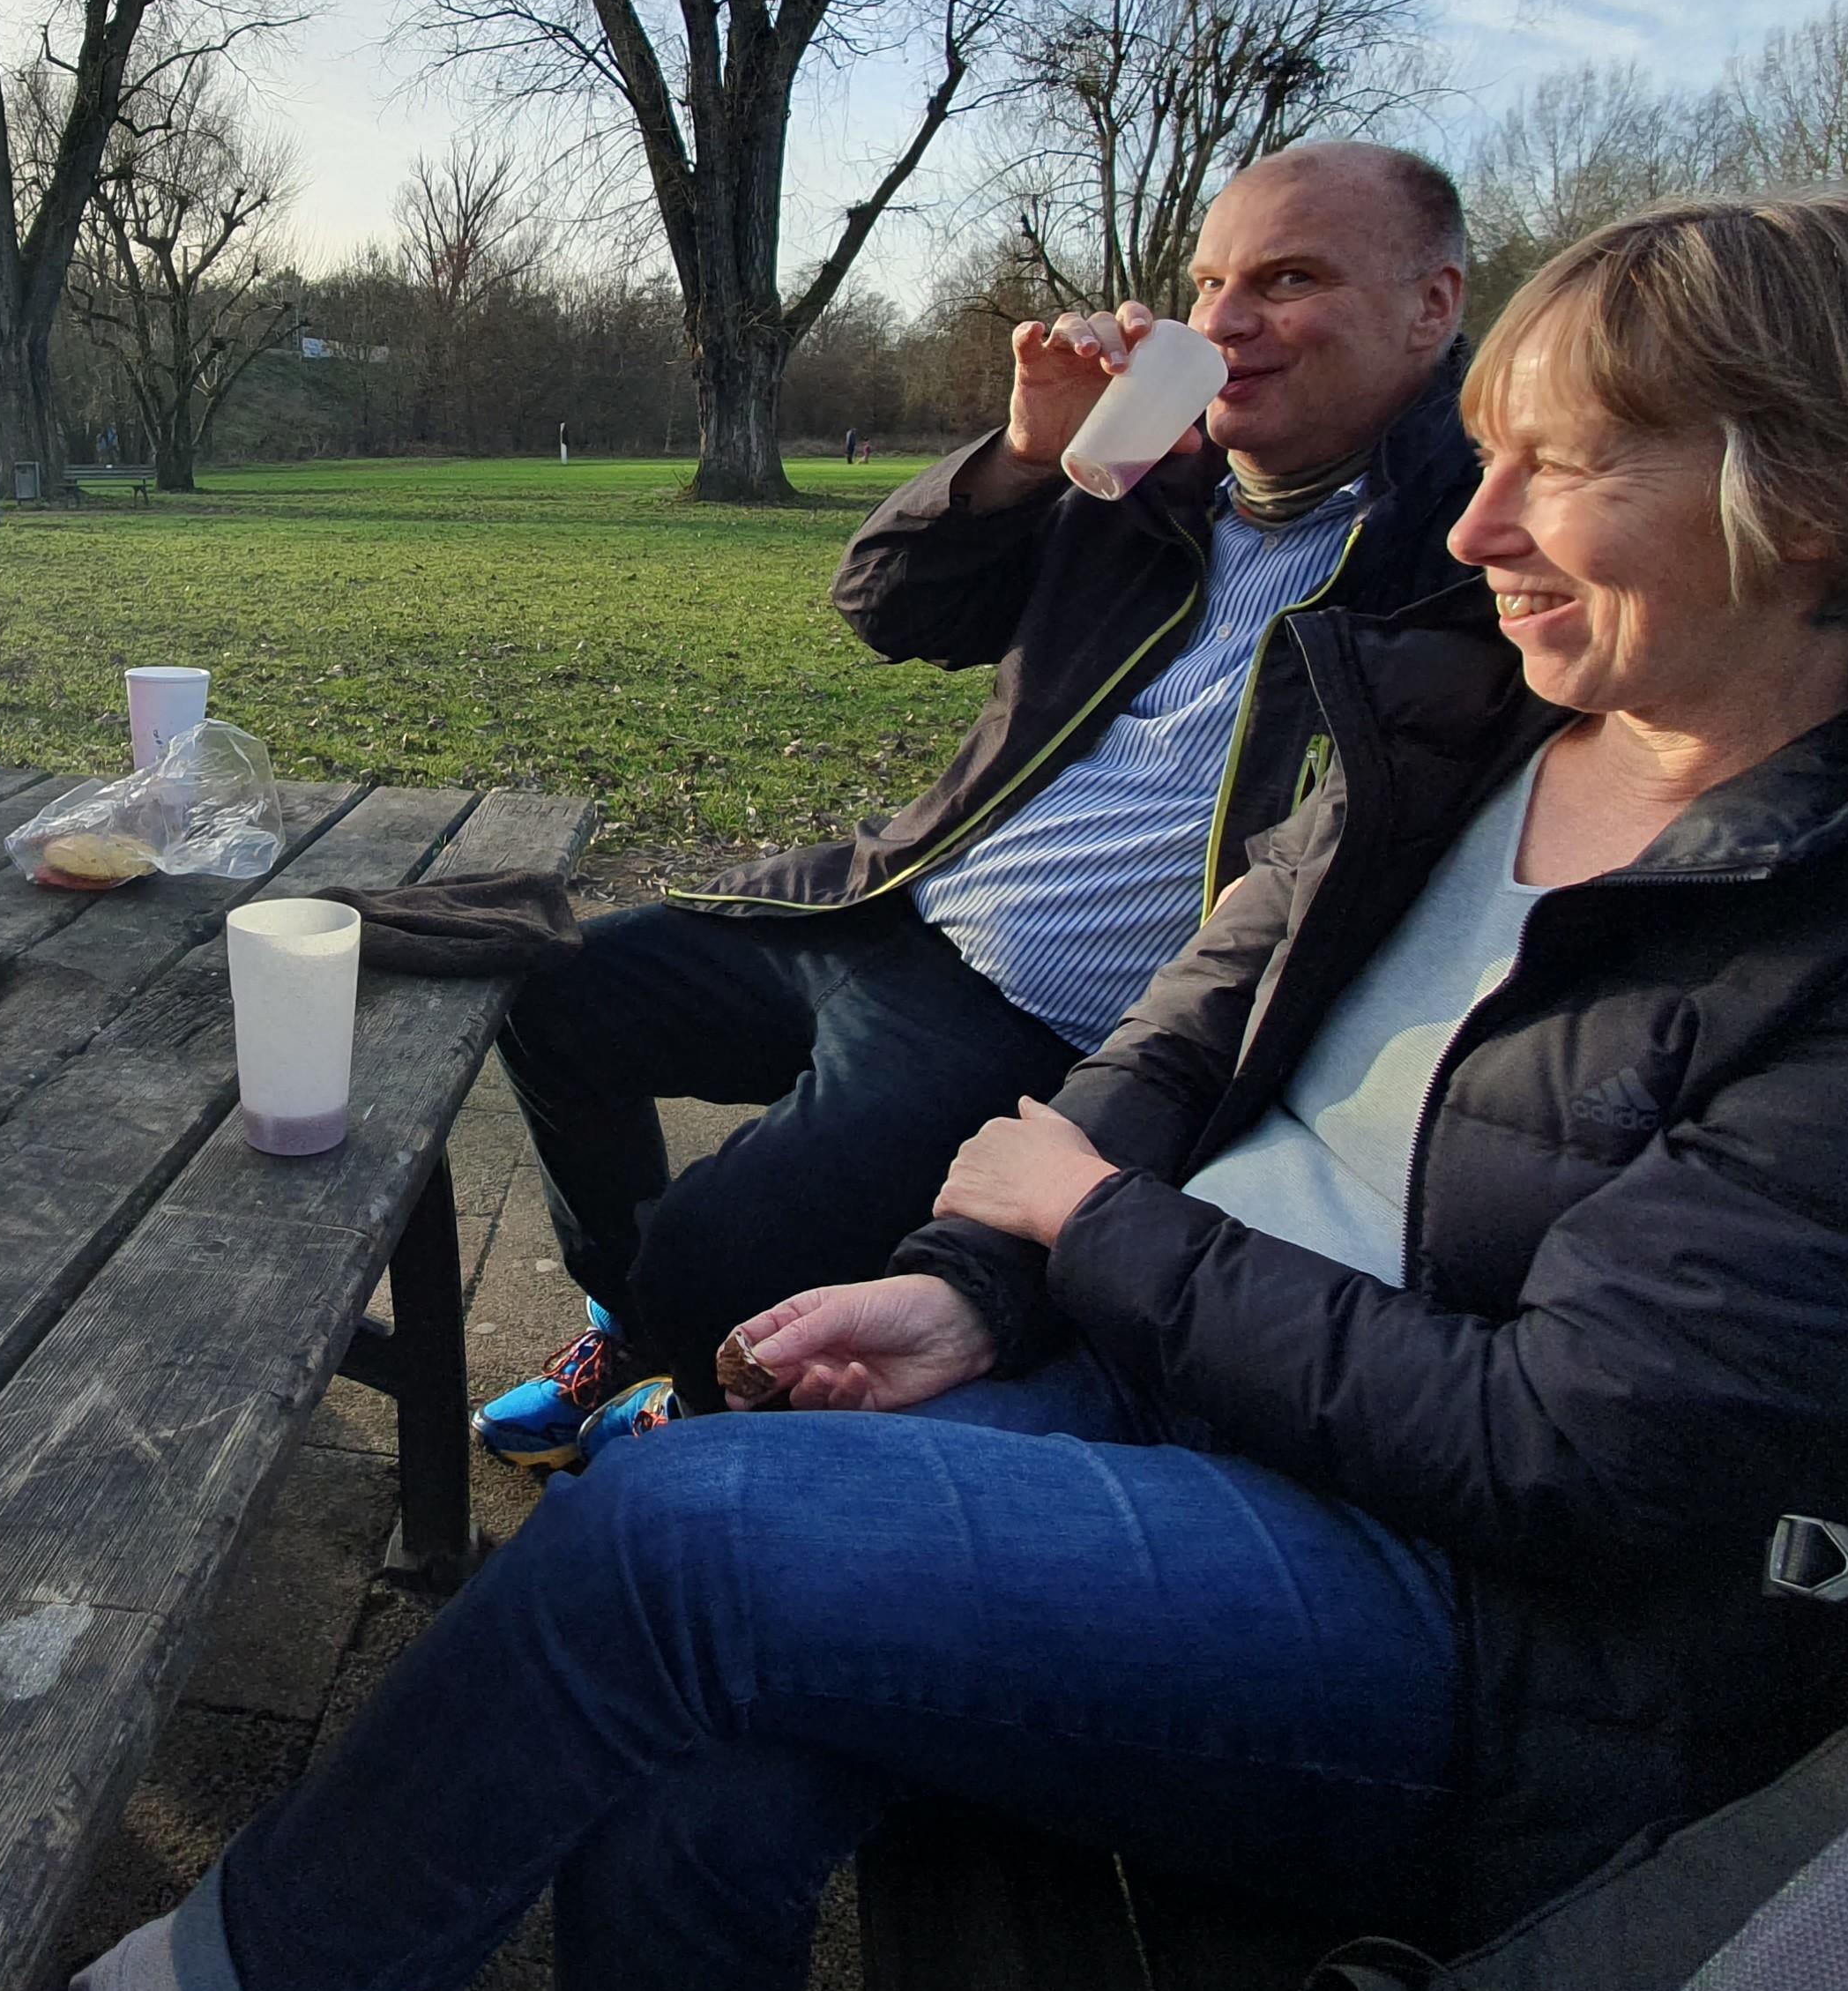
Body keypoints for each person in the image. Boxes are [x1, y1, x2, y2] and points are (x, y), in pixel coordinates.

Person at [0, 186, 1848, 1991]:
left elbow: (1580, 1456)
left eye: (1567, 460)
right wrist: (974, 1279)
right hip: (1168, 1407)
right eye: (1493, 450)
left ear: (1807, 494)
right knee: (702, 1777)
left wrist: (1082, 1236)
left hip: (1483, 1642)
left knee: (670, 1525)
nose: (1489, 516)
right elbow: (1183, 1020)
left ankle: (228, 1986)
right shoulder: (1494, 733)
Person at [485, 142, 1479, 1466]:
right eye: (1209, 281)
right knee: (551, 991)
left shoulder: (1472, 550)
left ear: (1433, 307)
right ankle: (645, 1319)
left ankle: (708, 1381)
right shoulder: (1148, 487)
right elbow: (887, 605)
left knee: (723, 1241)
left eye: (1288, 279)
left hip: (1050, 1021)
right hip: (895, 904)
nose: (1225, 320)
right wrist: (1020, 455)